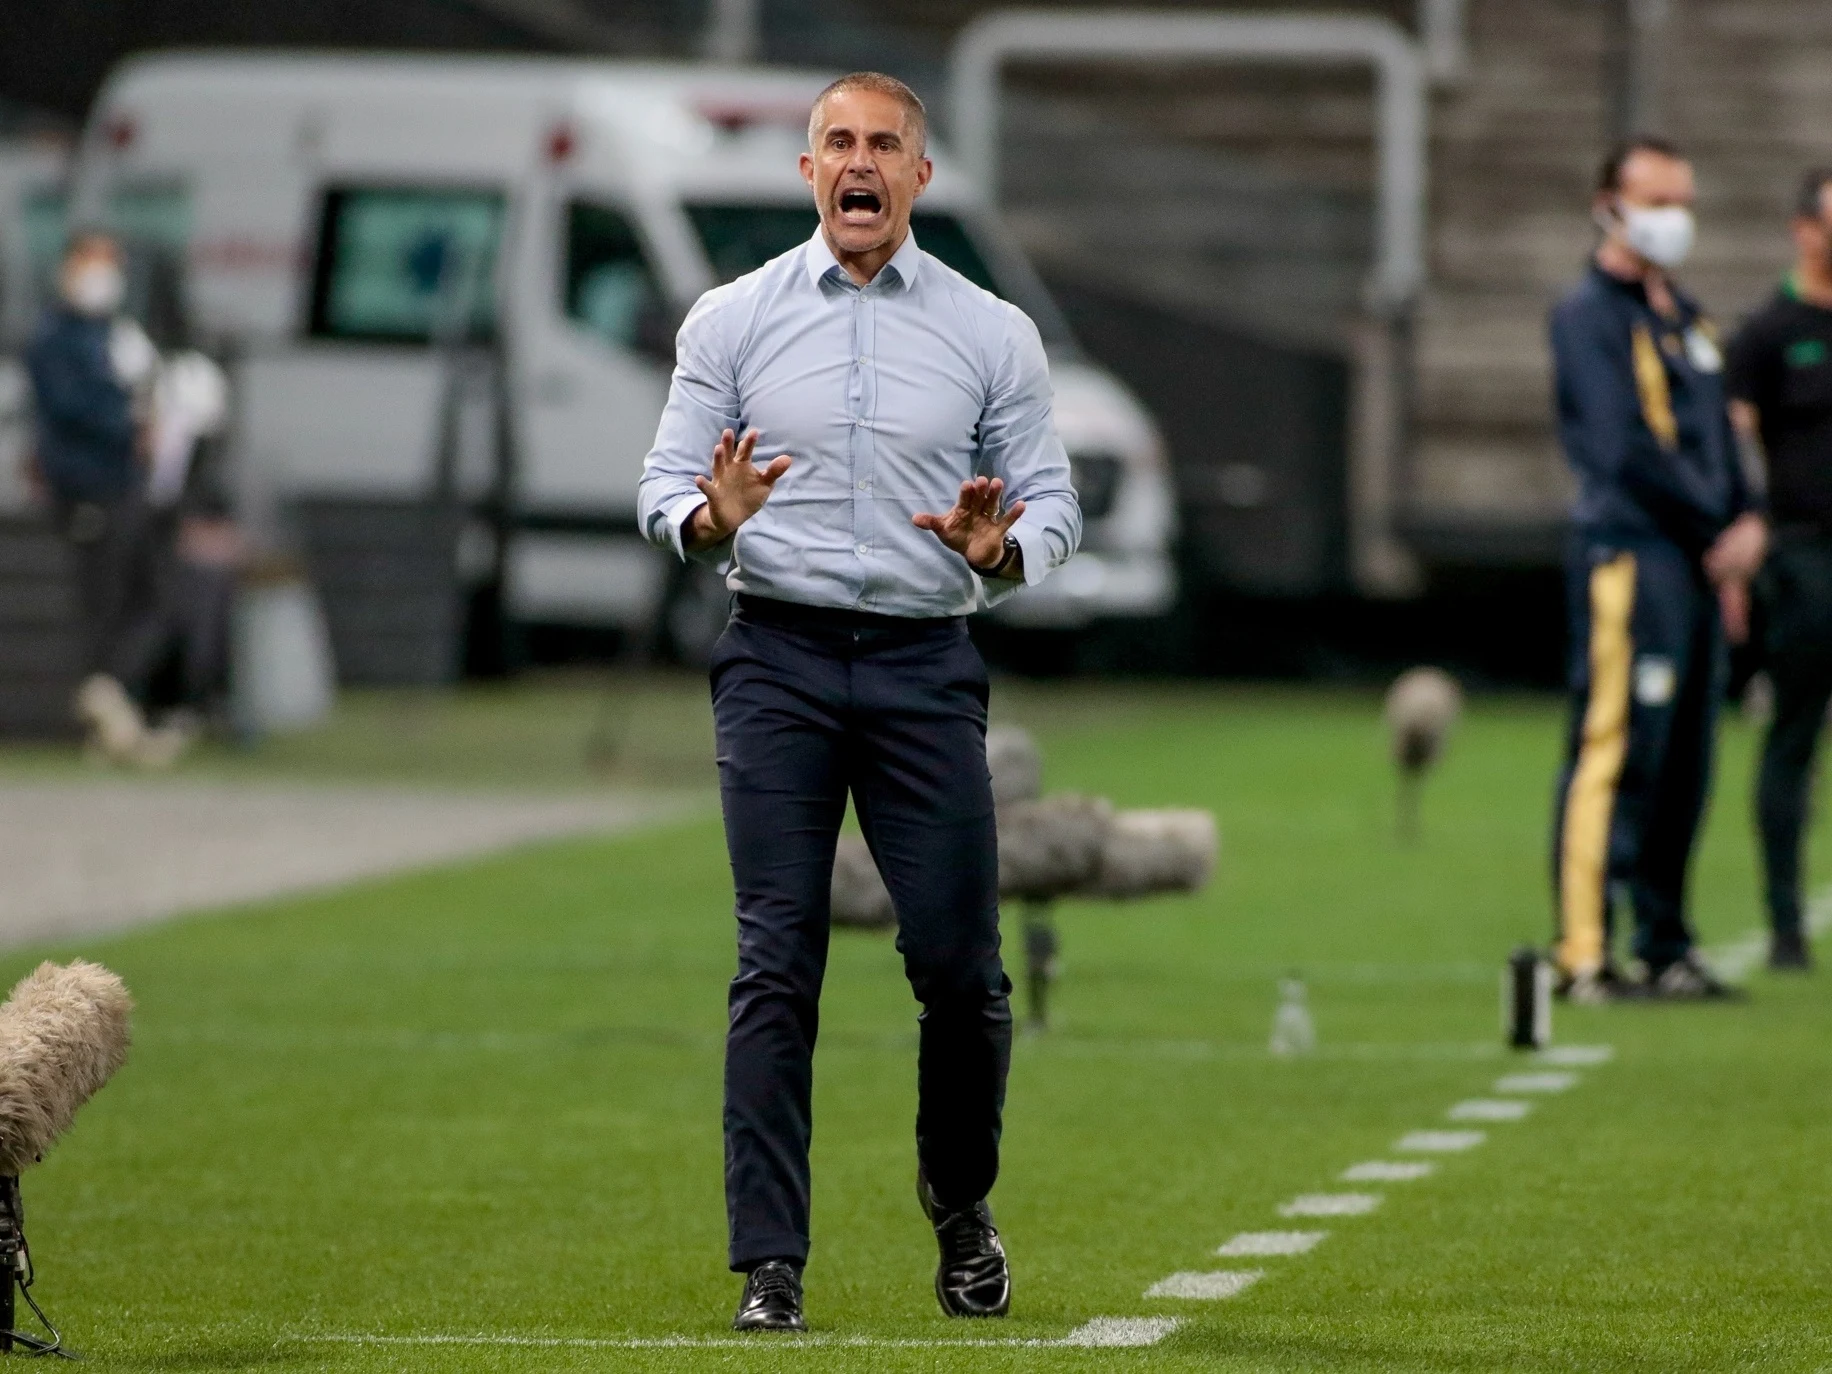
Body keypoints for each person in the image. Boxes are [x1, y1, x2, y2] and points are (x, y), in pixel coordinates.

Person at [637, 72, 1080, 1331]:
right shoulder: (731, 319)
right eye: (838, 141)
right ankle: (770, 1265)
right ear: (807, 170)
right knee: (775, 962)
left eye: (883, 143)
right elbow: (665, 481)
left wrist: (997, 552)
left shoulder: (990, 331)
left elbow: (1052, 504)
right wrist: (702, 520)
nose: (860, 162)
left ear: (919, 177)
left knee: (960, 971)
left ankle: (958, 1204)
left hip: (922, 663)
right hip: (774, 658)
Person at [1548, 136, 1768, 1003]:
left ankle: (1665, 941)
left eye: (1683, 201)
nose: (1672, 217)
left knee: (1687, 755)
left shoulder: (1688, 318)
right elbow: (1622, 447)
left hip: (1701, 562)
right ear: (1609, 202)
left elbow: (1717, 437)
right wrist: (1720, 522)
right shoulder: (1586, 315)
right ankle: (1584, 946)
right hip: (1634, 555)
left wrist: (1748, 520)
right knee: (1618, 747)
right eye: (1656, 199)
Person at [1725, 167, 1832, 972]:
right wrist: (1740, 564)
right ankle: (1784, 919)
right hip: (1804, 558)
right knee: (1793, 735)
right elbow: (1735, 453)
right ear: (1803, 228)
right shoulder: (1766, 333)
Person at [25, 231, 159, 761]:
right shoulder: (56, 335)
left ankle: (110, 698)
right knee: (97, 597)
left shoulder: (114, 333)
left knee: (140, 593)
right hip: (84, 482)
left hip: (121, 481)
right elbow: (72, 407)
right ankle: (95, 707)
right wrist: (131, 424)